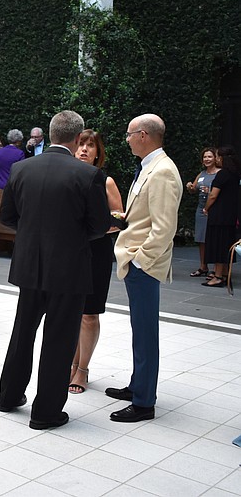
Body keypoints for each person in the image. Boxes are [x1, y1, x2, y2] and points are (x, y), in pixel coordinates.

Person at [0, 110, 109, 430]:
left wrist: (34, 234)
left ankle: (9, 396)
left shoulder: (21, 168)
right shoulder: (88, 175)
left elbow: (8, 218)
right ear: (76, 139)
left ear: (50, 134)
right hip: (69, 267)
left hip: (30, 263)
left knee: (23, 332)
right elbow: (99, 226)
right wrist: (69, 238)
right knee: (59, 338)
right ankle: (45, 411)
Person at [107, 113, 182, 423]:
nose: (126, 139)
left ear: (143, 135)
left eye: (129, 134)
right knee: (140, 330)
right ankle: (139, 386)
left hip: (144, 263)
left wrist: (140, 259)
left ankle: (143, 402)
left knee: (146, 333)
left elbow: (164, 228)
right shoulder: (151, 166)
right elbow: (145, 215)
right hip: (137, 258)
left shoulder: (162, 171)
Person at [68, 130, 123, 394]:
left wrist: (93, 227)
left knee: (89, 314)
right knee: (70, 311)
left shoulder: (106, 181)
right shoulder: (65, 175)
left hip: (96, 252)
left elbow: (119, 219)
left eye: (91, 145)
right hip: (68, 252)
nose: (84, 149)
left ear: (98, 152)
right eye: (81, 144)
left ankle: (82, 369)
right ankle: (70, 362)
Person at [202, 146, 240, 288]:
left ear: (222, 158)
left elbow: (213, 195)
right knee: (226, 244)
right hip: (230, 215)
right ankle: (224, 274)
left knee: (218, 244)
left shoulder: (222, 174)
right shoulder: (235, 174)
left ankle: (218, 276)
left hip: (219, 215)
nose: (216, 159)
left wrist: (206, 208)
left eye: (217, 156)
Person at [186, 148, 219, 278]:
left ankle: (217, 269)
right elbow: (194, 189)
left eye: (209, 156)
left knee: (215, 239)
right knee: (201, 239)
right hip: (201, 209)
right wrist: (190, 187)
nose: (207, 159)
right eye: (205, 157)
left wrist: (210, 190)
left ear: (215, 158)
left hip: (215, 209)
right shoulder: (201, 174)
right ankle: (203, 266)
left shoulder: (220, 174)